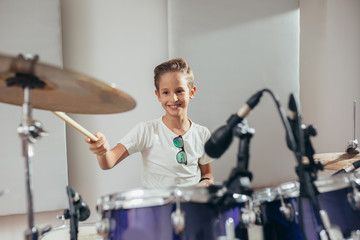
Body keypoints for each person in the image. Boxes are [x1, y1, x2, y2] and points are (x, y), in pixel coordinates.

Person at [85, 58, 215, 188]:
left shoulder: (202, 134)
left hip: (192, 205)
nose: (173, 98)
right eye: (166, 92)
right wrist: (101, 152)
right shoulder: (146, 130)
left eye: (179, 91)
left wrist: (207, 182)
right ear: (158, 95)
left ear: (191, 92)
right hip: (157, 207)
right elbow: (108, 162)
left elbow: (206, 173)